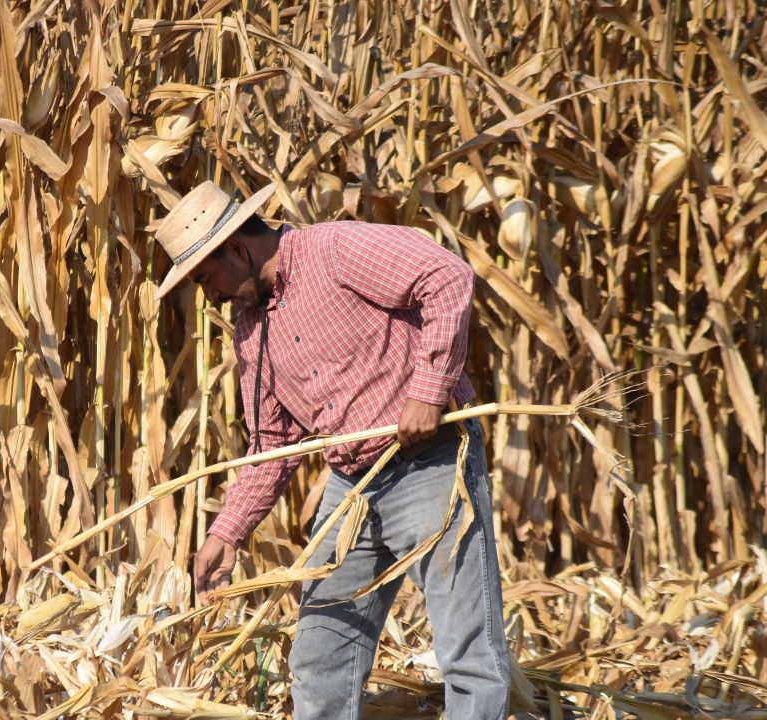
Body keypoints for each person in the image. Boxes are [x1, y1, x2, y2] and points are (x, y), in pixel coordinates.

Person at [152, 181, 511, 719]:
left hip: (433, 465)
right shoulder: (251, 331)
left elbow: (447, 277)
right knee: (321, 658)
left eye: (205, 278)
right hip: (353, 491)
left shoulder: (336, 249)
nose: (209, 296)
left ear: (236, 249)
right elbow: (272, 442)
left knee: (467, 652)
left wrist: (427, 391)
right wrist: (227, 533)